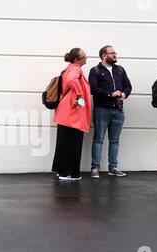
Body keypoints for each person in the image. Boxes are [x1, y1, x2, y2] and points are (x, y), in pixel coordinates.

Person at [88, 45, 132, 178]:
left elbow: (128, 86)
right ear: (104, 55)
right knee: (98, 139)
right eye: (112, 53)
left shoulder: (120, 69)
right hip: (102, 109)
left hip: (118, 110)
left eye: (114, 53)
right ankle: (95, 168)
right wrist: (110, 94)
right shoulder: (95, 70)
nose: (115, 55)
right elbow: (93, 89)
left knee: (114, 140)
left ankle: (113, 167)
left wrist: (124, 93)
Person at [52, 48, 92, 181]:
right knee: (73, 143)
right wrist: (80, 94)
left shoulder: (69, 67)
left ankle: (61, 170)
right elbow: (72, 80)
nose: (86, 58)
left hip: (65, 112)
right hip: (72, 113)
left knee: (64, 142)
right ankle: (70, 173)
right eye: (84, 57)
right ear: (76, 60)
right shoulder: (75, 69)